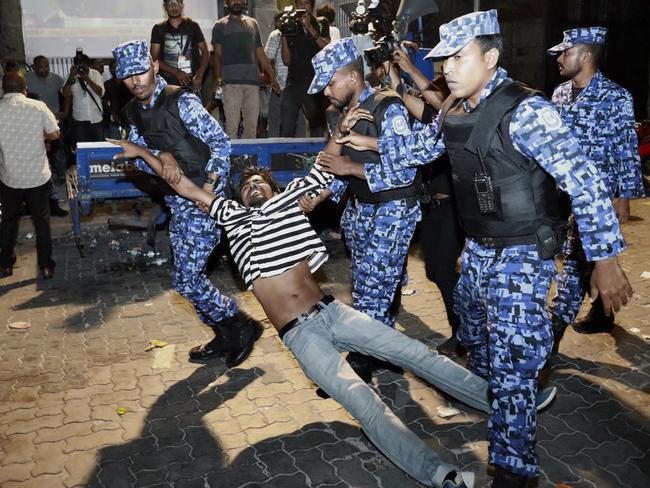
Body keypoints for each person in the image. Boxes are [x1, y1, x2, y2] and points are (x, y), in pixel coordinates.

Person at [337, 10, 633, 487]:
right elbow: (416, 152)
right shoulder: (455, 108)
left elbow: (586, 183)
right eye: (443, 59)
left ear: (490, 58)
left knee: (513, 367)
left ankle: (514, 469)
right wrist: (359, 150)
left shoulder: (528, 111)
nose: (447, 68)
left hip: (521, 257)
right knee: (476, 339)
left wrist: (605, 259)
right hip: (476, 253)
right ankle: (499, 388)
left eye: (459, 57)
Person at [111, 40, 259, 368]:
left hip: (205, 199)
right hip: (177, 202)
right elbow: (140, 156)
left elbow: (221, 144)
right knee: (183, 280)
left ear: (153, 65)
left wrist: (209, 190)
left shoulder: (182, 101)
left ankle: (240, 325)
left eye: (139, 71)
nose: (135, 80)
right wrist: (157, 156)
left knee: (189, 279)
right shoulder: (134, 111)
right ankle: (224, 333)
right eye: (126, 76)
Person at [303, 38, 422, 380]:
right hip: (361, 211)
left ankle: (359, 368)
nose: (326, 91)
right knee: (368, 289)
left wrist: (351, 170)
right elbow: (337, 168)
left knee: (372, 298)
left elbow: (406, 168)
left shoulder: (389, 107)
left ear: (352, 77)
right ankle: (382, 355)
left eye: (330, 82)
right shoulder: (344, 116)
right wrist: (323, 195)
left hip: (393, 210)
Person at [547, 27, 644, 344]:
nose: (559, 58)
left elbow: (627, 149)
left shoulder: (616, 97)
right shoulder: (559, 94)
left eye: (565, 52)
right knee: (588, 254)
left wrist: (624, 196)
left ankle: (554, 327)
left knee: (576, 258)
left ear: (585, 55)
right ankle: (604, 310)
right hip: (563, 192)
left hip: (598, 194)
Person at [381, 50, 466, 357]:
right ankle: (466, 330)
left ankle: (464, 333)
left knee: (443, 271)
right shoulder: (436, 120)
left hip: (450, 209)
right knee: (436, 272)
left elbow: (434, 102)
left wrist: (407, 70)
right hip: (430, 207)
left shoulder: (458, 115)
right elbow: (410, 101)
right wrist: (395, 77)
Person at [0, 73, 60, 280]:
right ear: (24, 88)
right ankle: (45, 266)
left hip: (10, 176)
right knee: (41, 221)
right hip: (37, 176)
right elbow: (54, 134)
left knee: (8, 221)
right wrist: (40, 134)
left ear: (3, 90)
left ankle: (6, 265)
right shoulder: (37, 106)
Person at [211, 0, 279, 139]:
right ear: (227, 2)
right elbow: (217, 55)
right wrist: (218, 78)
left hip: (252, 82)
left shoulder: (253, 23)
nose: (236, 2)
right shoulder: (220, 25)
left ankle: (249, 160)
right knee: (232, 128)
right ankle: (233, 160)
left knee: (251, 129)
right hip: (230, 83)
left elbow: (260, 52)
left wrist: (272, 76)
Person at [25, 55, 69, 216]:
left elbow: (67, 90)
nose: (44, 69)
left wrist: (65, 111)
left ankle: (60, 179)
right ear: (34, 66)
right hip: (34, 124)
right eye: (41, 67)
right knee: (40, 161)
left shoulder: (55, 78)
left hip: (53, 122)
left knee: (58, 152)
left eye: (46, 66)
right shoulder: (26, 78)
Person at [279, 0, 330, 137]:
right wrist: (284, 34)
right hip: (293, 82)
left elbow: (327, 48)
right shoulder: (291, 25)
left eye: (306, 3)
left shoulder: (321, 22)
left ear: (312, 6)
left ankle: (316, 157)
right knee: (286, 126)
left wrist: (309, 27)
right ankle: (285, 157)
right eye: (300, 3)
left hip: (315, 83)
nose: (302, 6)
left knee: (317, 127)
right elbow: (286, 60)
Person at [150, 0, 210, 92]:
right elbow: (154, 58)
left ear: (182, 5)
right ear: (165, 6)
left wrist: (200, 74)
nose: (174, 7)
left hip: (192, 82)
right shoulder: (158, 29)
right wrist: (175, 71)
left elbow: (205, 52)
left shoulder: (193, 26)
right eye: (170, 4)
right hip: (168, 83)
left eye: (177, 3)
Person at [62, 53, 105, 144]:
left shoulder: (95, 74)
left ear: (88, 65)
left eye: (83, 65)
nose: (81, 68)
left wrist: (86, 78)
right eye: (78, 65)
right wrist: (71, 76)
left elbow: (101, 92)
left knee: (99, 148)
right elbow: (65, 94)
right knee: (83, 149)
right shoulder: (71, 76)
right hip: (79, 119)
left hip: (96, 118)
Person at [102, 60, 133, 140]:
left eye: (117, 67)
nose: (115, 69)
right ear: (109, 69)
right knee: (114, 147)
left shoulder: (130, 83)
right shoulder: (107, 84)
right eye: (113, 67)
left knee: (132, 146)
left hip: (130, 120)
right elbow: (104, 101)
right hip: (114, 121)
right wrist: (112, 113)